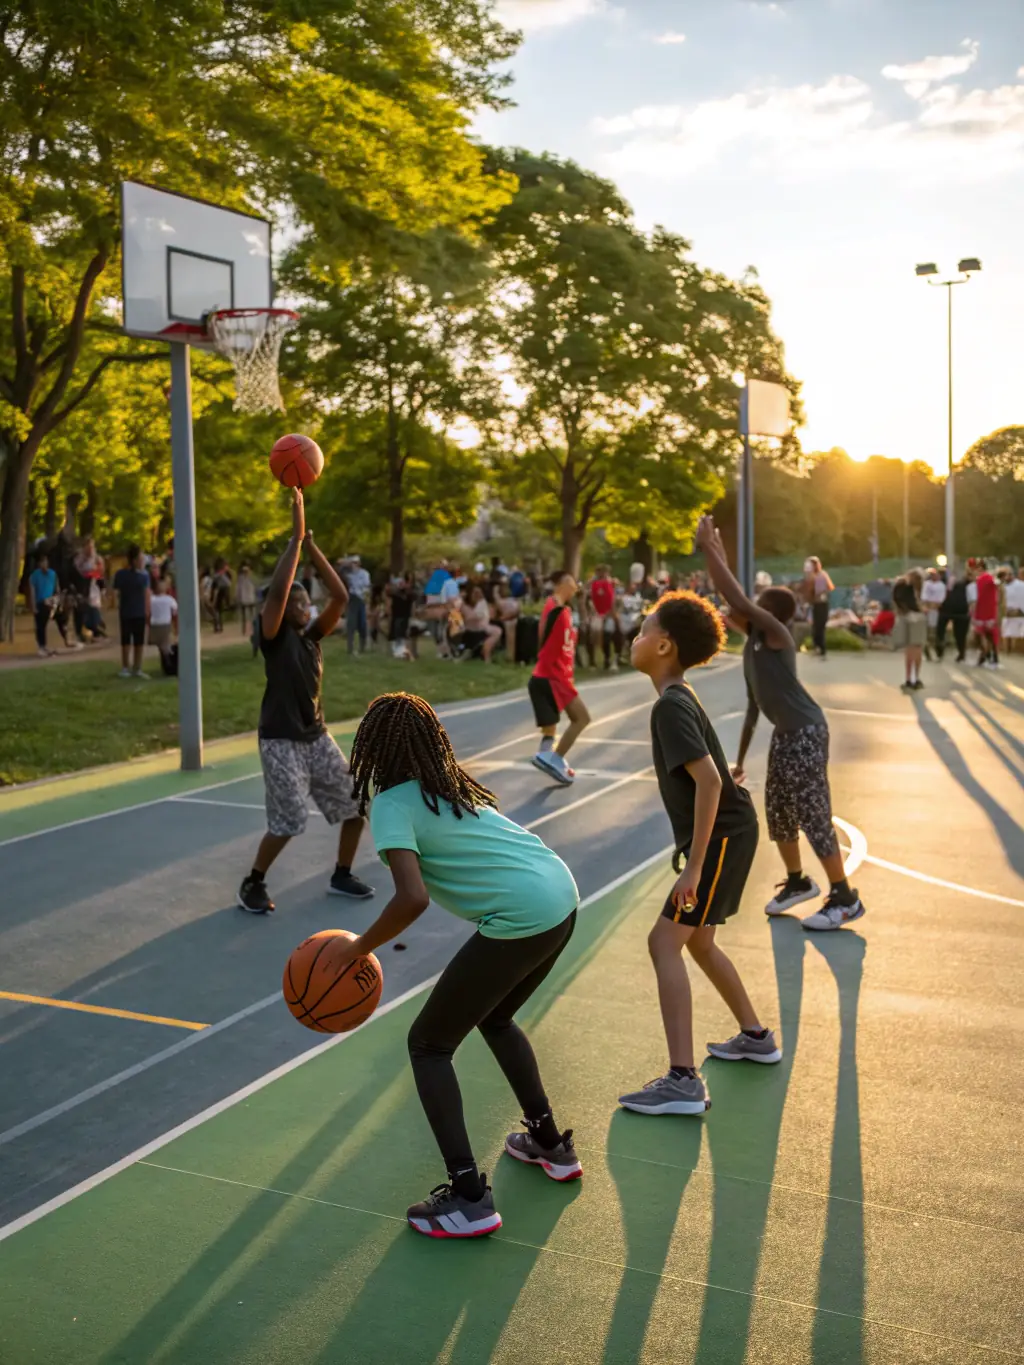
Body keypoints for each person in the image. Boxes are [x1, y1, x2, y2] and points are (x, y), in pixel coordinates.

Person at [338, 692, 580, 1237]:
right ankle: (548, 1143)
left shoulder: (392, 805)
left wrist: (357, 947)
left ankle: (468, 1196)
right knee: (494, 1017)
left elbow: (411, 899)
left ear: (372, 751)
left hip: (521, 914)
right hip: (561, 897)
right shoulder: (449, 787)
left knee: (428, 1045)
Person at [617, 584, 781, 1120]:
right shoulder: (680, 700)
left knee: (665, 942)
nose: (635, 637)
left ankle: (683, 1080)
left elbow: (707, 784)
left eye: (643, 631)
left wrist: (694, 866)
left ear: (663, 646)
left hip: (723, 837)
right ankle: (756, 1036)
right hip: (733, 829)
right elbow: (713, 775)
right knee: (700, 942)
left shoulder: (670, 706)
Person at [698, 516, 866, 931]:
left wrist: (708, 547)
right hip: (785, 735)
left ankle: (844, 897)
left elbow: (733, 596)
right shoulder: (753, 648)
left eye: (755, 603)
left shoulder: (776, 634)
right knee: (779, 812)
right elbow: (754, 709)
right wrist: (739, 761)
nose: (743, 607)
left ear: (767, 612)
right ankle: (797, 882)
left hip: (807, 732)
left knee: (812, 813)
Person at [237, 490, 373, 915]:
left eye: (304, 601)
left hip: (316, 737)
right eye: (295, 602)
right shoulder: (274, 639)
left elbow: (341, 596)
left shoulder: (312, 638)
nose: (302, 605)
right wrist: (294, 541)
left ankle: (341, 873)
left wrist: (312, 546)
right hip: (280, 741)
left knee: (356, 805)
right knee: (290, 821)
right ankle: (253, 882)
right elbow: (276, 597)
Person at [529, 571, 590, 786]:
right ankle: (554, 758)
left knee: (550, 726)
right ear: (563, 583)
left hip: (555, 674)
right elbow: (544, 636)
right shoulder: (554, 607)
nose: (576, 586)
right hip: (553, 675)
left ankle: (547, 756)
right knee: (582, 718)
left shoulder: (565, 610)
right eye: (573, 581)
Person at [113, 546, 151, 678]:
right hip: (127, 611)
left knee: (138, 641)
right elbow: (116, 593)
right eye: (140, 558)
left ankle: (137, 667)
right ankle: (126, 667)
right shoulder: (122, 575)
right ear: (134, 560)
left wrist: (147, 610)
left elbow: (147, 594)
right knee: (126, 641)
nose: (142, 561)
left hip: (137, 612)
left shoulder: (144, 576)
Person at [892, 570, 926, 690]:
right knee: (917, 648)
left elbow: (896, 599)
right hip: (917, 616)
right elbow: (922, 603)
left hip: (905, 616)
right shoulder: (916, 586)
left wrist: (903, 610)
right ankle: (916, 678)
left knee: (909, 649)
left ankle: (908, 679)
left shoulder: (900, 585)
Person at [588, 565, 621, 672]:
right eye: (600, 572)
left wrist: (612, 613)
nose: (603, 574)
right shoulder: (593, 584)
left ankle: (614, 658)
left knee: (614, 632)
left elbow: (614, 600)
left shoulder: (612, 584)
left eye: (605, 572)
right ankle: (593, 660)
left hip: (610, 614)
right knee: (592, 634)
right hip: (597, 614)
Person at [28, 551, 59, 657]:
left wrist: (55, 600)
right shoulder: (34, 576)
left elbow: (56, 589)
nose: (44, 564)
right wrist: (33, 606)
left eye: (45, 562)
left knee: (45, 625)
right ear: (39, 564)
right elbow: (32, 592)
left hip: (50, 602)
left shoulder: (52, 574)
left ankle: (45, 645)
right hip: (40, 602)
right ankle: (42, 646)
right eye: (42, 562)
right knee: (40, 625)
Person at [803, 556, 833, 657]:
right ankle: (818, 646)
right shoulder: (812, 576)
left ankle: (821, 647)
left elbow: (828, 587)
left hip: (821, 603)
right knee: (816, 626)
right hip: (816, 603)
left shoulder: (821, 575)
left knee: (819, 626)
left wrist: (818, 591)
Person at [938, 570, 971, 662]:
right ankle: (941, 646)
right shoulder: (942, 585)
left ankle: (961, 652)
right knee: (957, 634)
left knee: (959, 634)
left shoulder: (965, 586)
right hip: (951, 610)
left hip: (959, 611)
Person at [972, 561, 1001, 669]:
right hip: (981, 611)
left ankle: (991, 655)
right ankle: (985, 654)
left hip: (988, 611)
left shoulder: (988, 578)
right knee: (981, 634)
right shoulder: (977, 581)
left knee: (989, 635)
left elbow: (997, 583)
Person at [148, 577, 178, 670]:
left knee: (161, 647)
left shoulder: (151, 599)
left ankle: (165, 664)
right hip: (165, 624)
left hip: (154, 625)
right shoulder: (169, 599)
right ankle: (169, 665)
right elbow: (175, 611)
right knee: (166, 646)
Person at [343, 555, 371, 655]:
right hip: (352, 599)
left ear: (359, 564)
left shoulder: (364, 574)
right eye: (352, 563)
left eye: (355, 563)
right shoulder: (348, 574)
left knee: (362, 624)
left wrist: (366, 600)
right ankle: (350, 648)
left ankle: (362, 647)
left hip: (361, 600)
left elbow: (366, 588)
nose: (353, 565)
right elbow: (340, 570)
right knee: (351, 624)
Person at [920, 568, 946, 661]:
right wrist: (927, 606)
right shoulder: (927, 584)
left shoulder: (941, 586)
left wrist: (934, 606)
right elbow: (924, 597)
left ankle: (937, 650)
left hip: (936, 610)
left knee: (934, 632)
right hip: (927, 609)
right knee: (926, 632)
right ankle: (926, 650)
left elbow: (940, 599)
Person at [1002, 567, 1024, 655]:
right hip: (1011, 611)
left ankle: (1009, 651)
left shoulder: (1020, 585)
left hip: (1017, 611)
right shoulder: (1005, 586)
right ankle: (1008, 651)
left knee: (1011, 633)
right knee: (1008, 632)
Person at [236, 563, 257, 637]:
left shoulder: (251, 578)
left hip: (251, 599)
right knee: (245, 616)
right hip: (244, 599)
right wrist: (238, 598)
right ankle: (244, 630)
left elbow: (255, 588)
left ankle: (254, 629)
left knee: (252, 615)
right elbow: (238, 589)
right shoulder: (241, 579)